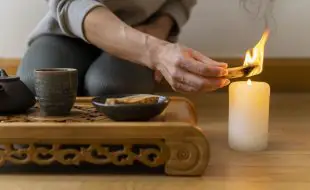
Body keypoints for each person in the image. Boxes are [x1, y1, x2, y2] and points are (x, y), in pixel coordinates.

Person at [17, 0, 230, 96]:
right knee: (37, 86)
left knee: (110, 89)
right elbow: (69, 3)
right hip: (67, 31)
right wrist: (157, 52)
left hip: (141, 30)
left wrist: (159, 28)